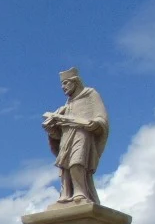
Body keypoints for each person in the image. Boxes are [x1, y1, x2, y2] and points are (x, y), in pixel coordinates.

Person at [42, 67, 109, 205]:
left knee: (77, 162)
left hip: (82, 133)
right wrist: (51, 129)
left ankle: (80, 192)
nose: (63, 87)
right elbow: (57, 134)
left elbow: (101, 117)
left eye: (66, 83)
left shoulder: (90, 94)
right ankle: (67, 193)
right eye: (62, 84)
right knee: (65, 166)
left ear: (75, 82)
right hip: (67, 138)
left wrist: (95, 123)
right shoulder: (66, 106)